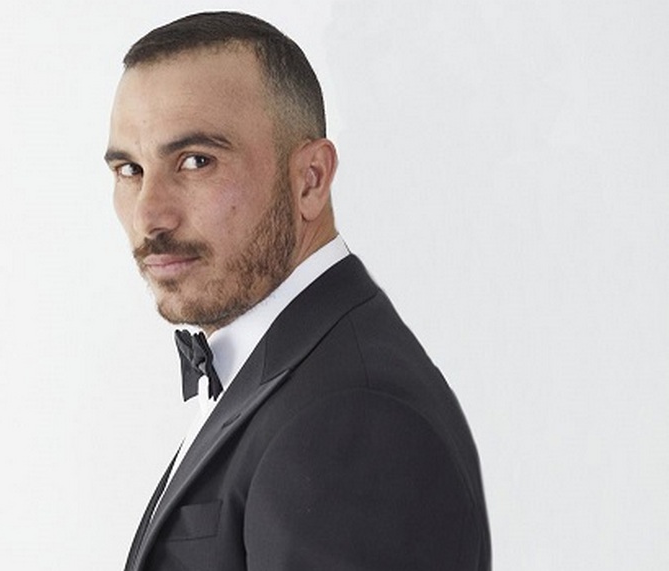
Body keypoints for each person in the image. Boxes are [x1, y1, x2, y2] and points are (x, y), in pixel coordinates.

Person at [104, 11, 491, 571]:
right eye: (130, 170)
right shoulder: (301, 375)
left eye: (196, 161)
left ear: (310, 178)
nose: (149, 215)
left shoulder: (356, 417)